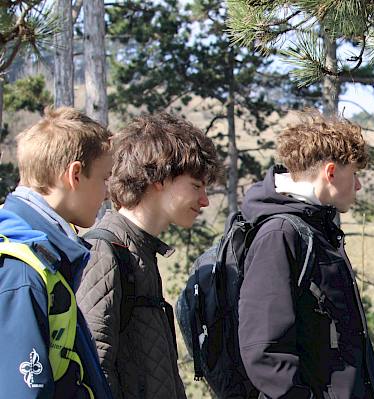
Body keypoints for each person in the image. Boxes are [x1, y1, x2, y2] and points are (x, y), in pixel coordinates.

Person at [75, 113, 222, 399]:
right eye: (196, 186)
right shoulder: (104, 251)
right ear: (159, 178)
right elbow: (93, 370)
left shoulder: (140, 251)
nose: (204, 200)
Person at [238, 111, 374, 399]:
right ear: (331, 172)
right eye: (354, 174)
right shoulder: (280, 234)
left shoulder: (315, 228)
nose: (358, 186)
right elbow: (265, 352)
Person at [0, 107, 114, 398]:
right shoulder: (21, 270)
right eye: (104, 178)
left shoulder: (45, 256)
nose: (107, 193)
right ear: (75, 175)